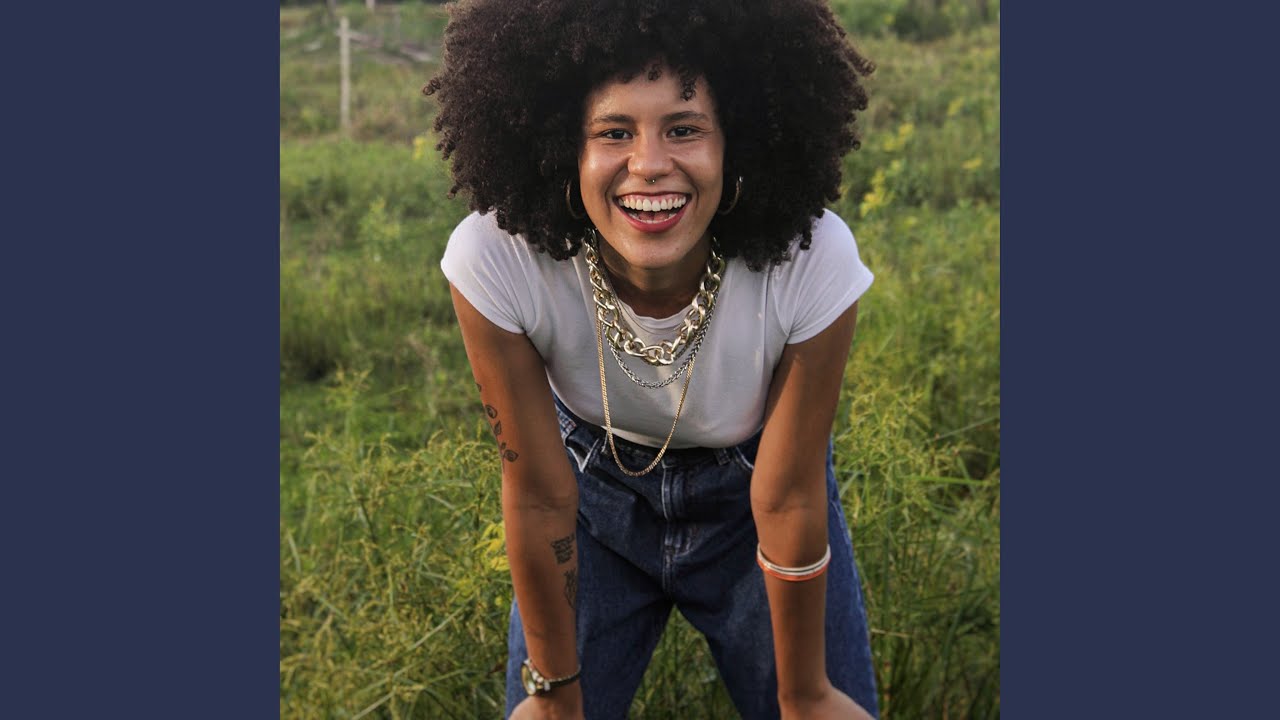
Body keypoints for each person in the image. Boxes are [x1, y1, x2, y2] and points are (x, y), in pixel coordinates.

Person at [426, 1, 878, 717]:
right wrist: (555, 696)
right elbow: (540, 497)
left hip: (757, 498)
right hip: (587, 502)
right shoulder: (497, 259)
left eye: (684, 128)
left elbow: (789, 497)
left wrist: (805, 694)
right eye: (614, 132)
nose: (650, 165)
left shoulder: (812, 258)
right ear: (562, 147)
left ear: (737, 142)